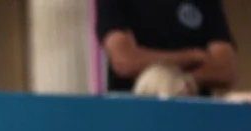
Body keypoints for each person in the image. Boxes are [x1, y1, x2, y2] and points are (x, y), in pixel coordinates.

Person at [96, 0, 235, 93]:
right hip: (132, 118)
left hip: (193, 119)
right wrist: (193, 56)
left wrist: (187, 82)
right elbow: (124, 61)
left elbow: (225, 69)